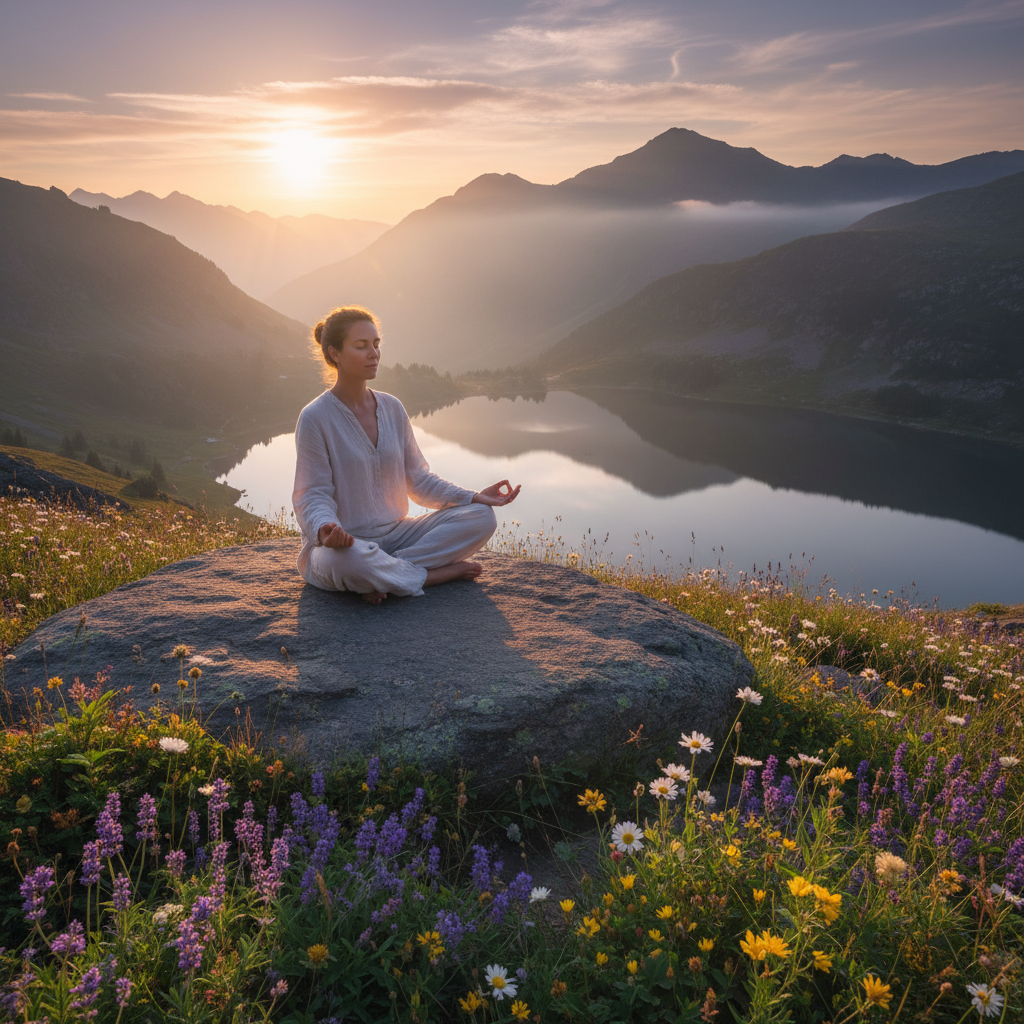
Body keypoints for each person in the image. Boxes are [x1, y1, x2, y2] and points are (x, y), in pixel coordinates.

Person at [292, 305, 520, 604]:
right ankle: (429, 575)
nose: (373, 353)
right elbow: (312, 494)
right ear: (334, 353)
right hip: (345, 546)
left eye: (376, 344)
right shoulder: (315, 417)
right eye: (361, 346)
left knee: (482, 518)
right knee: (348, 562)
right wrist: (325, 530)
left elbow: (419, 479)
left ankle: (384, 575)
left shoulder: (392, 408)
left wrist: (473, 497)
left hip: (399, 534)